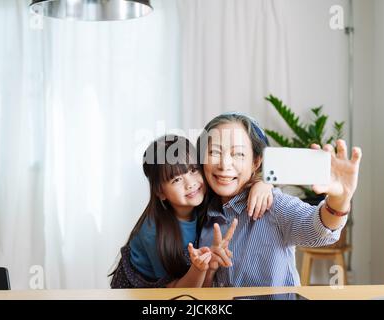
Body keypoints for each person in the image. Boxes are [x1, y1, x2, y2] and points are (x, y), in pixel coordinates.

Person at [196, 112, 362, 287]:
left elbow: (318, 230)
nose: (224, 164)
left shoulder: (272, 204)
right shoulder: (201, 212)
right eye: (214, 152)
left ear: (256, 162)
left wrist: (340, 199)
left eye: (238, 154)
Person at [109, 134, 274, 288]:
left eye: (193, 170)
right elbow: (174, 293)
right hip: (148, 290)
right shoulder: (153, 232)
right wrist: (199, 269)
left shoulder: (206, 195)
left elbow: (242, 182)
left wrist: (263, 184)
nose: (190, 184)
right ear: (160, 192)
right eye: (177, 179)